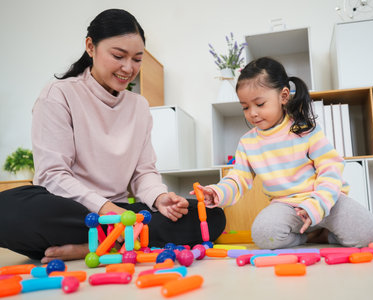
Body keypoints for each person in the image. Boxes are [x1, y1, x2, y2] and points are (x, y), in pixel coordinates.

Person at [0, 9, 225, 263]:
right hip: (74, 209)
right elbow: (53, 175)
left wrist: (161, 198)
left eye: (137, 59)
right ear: (90, 47)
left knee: (211, 216)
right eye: (118, 56)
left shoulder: (139, 106)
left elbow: (144, 173)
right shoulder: (59, 94)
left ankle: (92, 246)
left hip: (122, 214)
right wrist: (106, 210)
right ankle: (119, 240)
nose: (128, 68)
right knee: (6, 209)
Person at [194, 57, 373, 249]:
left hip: (325, 200)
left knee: (371, 235)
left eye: (259, 104)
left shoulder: (306, 129)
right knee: (263, 235)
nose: (252, 113)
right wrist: (216, 192)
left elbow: (331, 168)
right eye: (245, 107)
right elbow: (238, 178)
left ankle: (325, 234)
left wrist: (318, 203)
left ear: (283, 96)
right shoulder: (247, 142)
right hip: (286, 207)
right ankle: (309, 237)